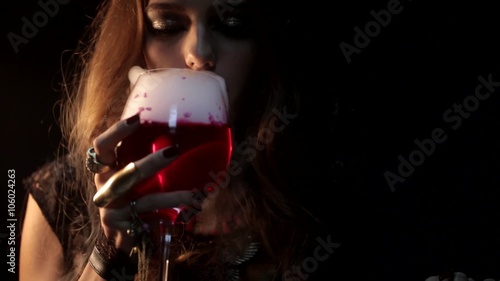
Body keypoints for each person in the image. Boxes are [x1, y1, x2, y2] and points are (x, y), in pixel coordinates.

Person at [19, 0, 328, 280]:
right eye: (167, 26)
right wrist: (111, 249)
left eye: (232, 25)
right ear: (134, 40)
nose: (199, 55)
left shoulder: (318, 198)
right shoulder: (61, 198)